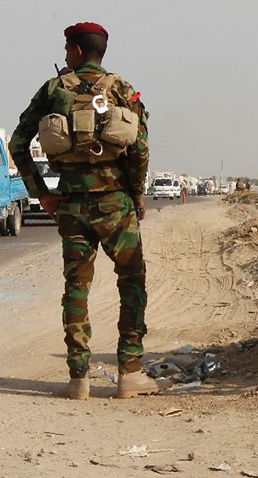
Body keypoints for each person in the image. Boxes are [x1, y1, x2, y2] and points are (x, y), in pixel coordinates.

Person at [9, 21, 157, 400]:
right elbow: (140, 148)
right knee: (132, 281)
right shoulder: (122, 89)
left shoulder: (53, 90)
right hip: (115, 205)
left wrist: (41, 193)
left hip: (72, 206)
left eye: (66, 49)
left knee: (76, 287)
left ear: (76, 51)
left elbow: (18, 143)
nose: (64, 56)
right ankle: (130, 373)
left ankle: (78, 379)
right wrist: (136, 195)